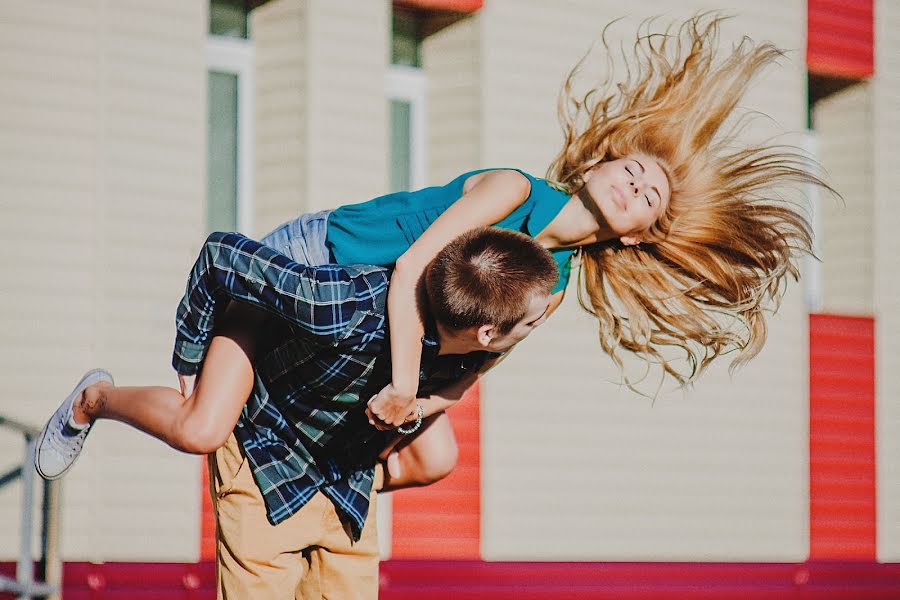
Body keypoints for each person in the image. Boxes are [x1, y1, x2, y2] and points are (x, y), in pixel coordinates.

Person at [37, 13, 831, 491]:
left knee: (431, 461)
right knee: (201, 430)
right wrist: (402, 384)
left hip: (374, 337)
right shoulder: (512, 191)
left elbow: (475, 364)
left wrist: (422, 406)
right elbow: (413, 272)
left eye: (650, 198)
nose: (635, 186)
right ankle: (94, 401)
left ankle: (315, 488)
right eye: (633, 170)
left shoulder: (553, 282)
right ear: (596, 164)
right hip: (318, 270)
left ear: (637, 234)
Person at [37, 227, 558, 598]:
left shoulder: (473, 348)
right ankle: (95, 399)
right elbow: (221, 255)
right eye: (531, 323)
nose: (536, 328)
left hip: (344, 484)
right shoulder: (343, 307)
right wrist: (191, 356)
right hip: (266, 457)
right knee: (198, 429)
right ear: (489, 330)